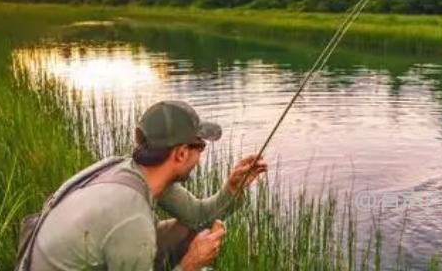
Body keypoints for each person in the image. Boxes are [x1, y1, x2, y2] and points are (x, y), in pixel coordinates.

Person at [29, 100, 267, 271]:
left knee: (185, 230)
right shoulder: (131, 219)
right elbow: (131, 226)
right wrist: (190, 264)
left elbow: (198, 217)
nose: (201, 156)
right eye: (200, 147)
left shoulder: (133, 170)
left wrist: (234, 188)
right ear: (181, 153)